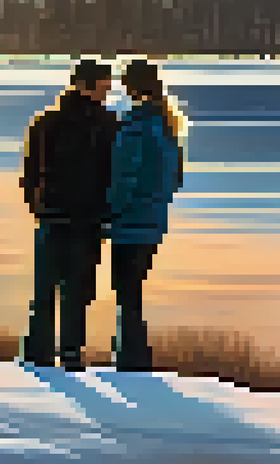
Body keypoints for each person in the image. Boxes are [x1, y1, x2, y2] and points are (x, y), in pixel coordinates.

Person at [20, 58, 119, 370]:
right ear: (89, 84)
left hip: (51, 217)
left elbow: (29, 173)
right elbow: (114, 175)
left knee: (45, 290)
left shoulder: (45, 122)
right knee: (78, 292)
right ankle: (71, 354)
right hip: (87, 222)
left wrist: (37, 208)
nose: (109, 88)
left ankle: (38, 355)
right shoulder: (109, 125)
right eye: (105, 83)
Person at [105, 58, 185, 372]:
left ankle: (131, 360)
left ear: (130, 86)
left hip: (130, 223)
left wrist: (110, 212)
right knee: (133, 291)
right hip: (153, 221)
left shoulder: (135, 126)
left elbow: (125, 176)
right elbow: (175, 178)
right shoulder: (167, 126)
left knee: (127, 294)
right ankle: (134, 357)